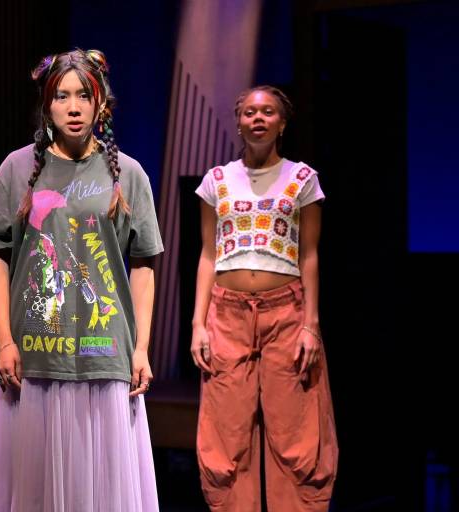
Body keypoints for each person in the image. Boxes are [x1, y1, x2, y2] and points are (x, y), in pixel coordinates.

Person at [0, 49, 163, 511]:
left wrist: (141, 347)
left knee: (100, 490)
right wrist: (4, 341)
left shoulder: (129, 174)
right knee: (35, 488)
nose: (74, 107)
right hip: (36, 352)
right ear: (47, 104)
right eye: (62, 96)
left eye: (84, 95)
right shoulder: (17, 169)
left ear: (102, 104)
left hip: (105, 352)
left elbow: (143, 264)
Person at [190, 86, 338, 511]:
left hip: (286, 312)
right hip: (227, 312)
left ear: (282, 123)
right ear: (238, 122)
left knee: (296, 427)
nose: (258, 118)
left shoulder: (302, 179)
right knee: (227, 427)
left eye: (268, 112)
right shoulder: (216, 181)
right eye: (250, 112)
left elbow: (309, 256)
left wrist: (311, 324)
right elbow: (208, 254)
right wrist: (198, 324)